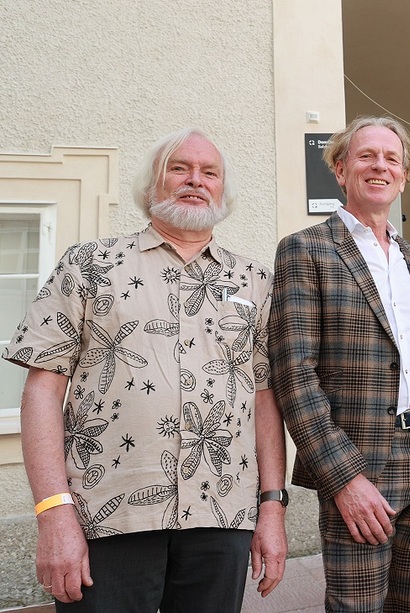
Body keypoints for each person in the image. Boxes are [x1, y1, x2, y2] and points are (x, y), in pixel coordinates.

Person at [3, 129, 287, 611]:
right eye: (179, 168)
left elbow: (264, 398)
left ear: (223, 190)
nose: (195, 180)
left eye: (209, 172)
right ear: (152, 185)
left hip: (222, 513)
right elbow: (43, 391)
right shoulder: (90, 264)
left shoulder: (257, 281)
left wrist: (272, 509)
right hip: (107, 514)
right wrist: (53, 513)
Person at [269, 116, 410, 612]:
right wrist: (343, 478)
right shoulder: (305, 250)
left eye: (392, 159)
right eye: (366, 155)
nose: (380, 165)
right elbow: (294, 375)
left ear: (404, 176)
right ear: (340, 170)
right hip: (360, 459)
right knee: (357, 606)